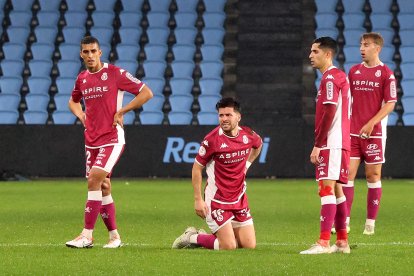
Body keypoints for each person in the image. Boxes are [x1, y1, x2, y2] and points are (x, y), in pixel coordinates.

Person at [65, 36, 153, 248]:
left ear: (100, 52)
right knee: (103, 186)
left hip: (112, 138)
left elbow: (146, 93)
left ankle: (87, 235)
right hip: (91, 141)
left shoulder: (115, 73)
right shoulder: (82, 78)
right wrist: (81, 116)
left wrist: (123, 110)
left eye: (93, 51)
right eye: (85, 52)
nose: (90, 55)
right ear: (81, 54)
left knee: (94, 179)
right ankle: (114, 237)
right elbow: (73, 100)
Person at [172, 97, 263, 250]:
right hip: (216, 201)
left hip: (239, 198)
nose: (224, 119)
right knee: (228, 246)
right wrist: (198, 199)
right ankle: (192, 237)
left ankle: (216, 235)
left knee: (249, 245)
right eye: (221, 115)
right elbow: (196, 168)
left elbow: (258, 144)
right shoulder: (212, 140)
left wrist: (246, 165)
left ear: (238, 117)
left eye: (228, 115)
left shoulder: (247, 134)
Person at [300, 37, 351, 254]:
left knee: (326, 188)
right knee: (337, 190)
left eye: (315, 51)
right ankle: (341, 241)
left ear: (327, 54)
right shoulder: (339, 77)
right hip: (340, 143)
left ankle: (323, 243)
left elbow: (329, 111)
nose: (311, 55)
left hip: (332, 143)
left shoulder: (330, 79)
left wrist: (319, 145)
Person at [343, 32, 397, 235]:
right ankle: (345, 221)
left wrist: (371, 123)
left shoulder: (386, 74)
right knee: (347, 175)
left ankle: (370, 224)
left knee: (373, 175)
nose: (361, 48)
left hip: (374, 134)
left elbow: (390, 104)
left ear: (377, 48)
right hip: (353, 132)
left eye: (366, 45)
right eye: (360, 45)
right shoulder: (353, 71)